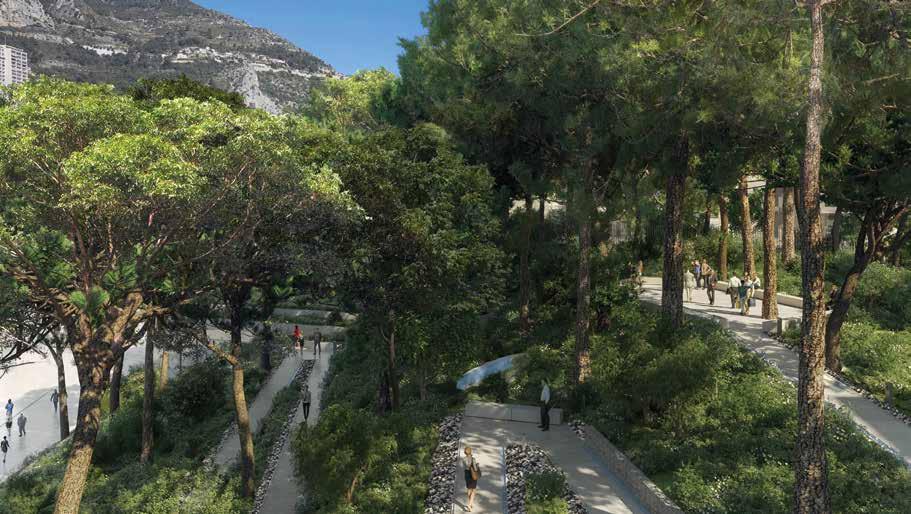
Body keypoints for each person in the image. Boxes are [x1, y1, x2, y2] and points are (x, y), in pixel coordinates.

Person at [462, 447, 480, 511]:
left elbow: (465, 467)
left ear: (465, 452)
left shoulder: (463, 459)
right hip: (473, 475)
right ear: (470, 451)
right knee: (473, 490)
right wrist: (477, 465)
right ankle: (469, 504)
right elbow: (475, 469)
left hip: (467, 474)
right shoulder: (473, 459)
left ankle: (470, 503)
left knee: (469, 489)